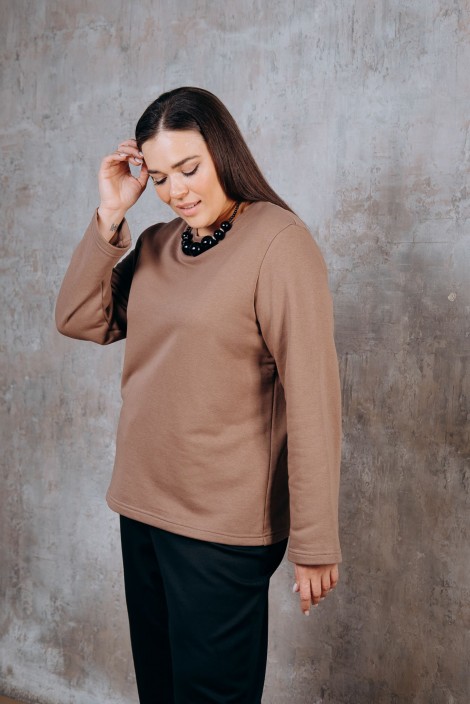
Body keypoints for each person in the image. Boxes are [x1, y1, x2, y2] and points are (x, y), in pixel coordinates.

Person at [55, 86, 342, 704]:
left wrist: (315, 541)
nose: (176, 191)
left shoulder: (279, 243)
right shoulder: (157, 244)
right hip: (142, 507)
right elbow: (80, 318)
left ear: (223, 152)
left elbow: (313, 399)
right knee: (161, 690)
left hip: (222, 526)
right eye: (160, 178)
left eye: (189, 168)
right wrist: (110, 215)